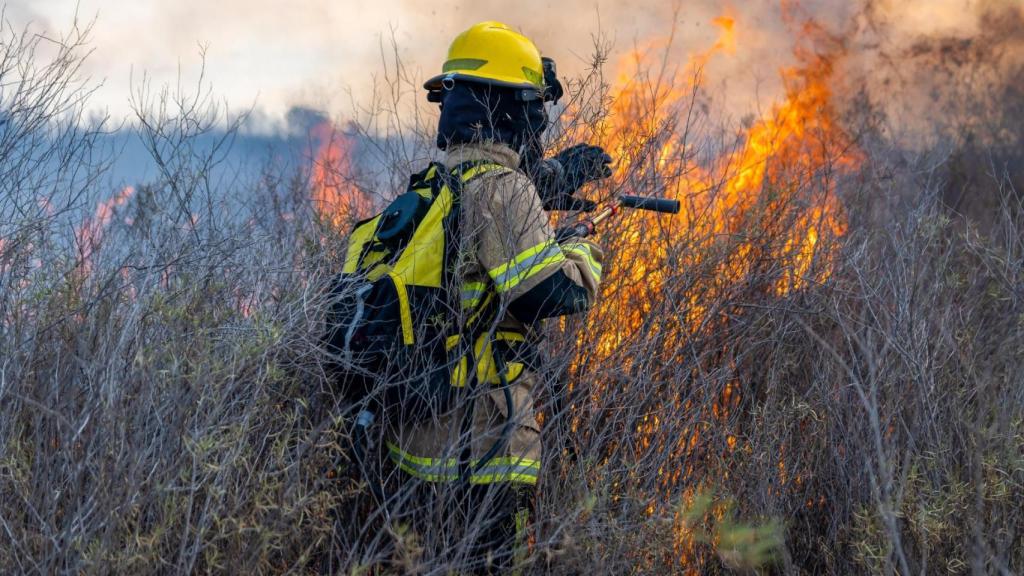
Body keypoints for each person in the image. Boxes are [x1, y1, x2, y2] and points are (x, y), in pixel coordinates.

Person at [380, 21, 612, 574]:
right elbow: (550, 295)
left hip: (417, 443)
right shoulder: (502, 189)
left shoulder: (433, 183)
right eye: (532, 104)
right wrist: (581, 251)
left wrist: (543, 184)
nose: (540, 120)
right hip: (483, 446)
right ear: (509, 108)